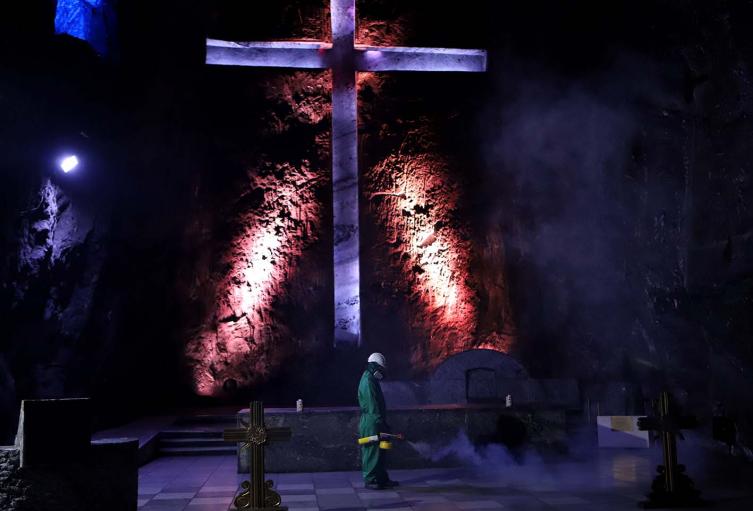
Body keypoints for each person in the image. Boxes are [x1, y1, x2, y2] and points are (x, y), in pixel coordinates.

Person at [358, 352, 399, 489]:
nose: (382, 371)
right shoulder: (368, 380)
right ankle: (371, 479)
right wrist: (380, 423)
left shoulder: (371, 379)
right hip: (372, 422)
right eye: (381, 368)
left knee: (382, 449)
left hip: (377, 420)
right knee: (372, 451)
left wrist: (383, 424)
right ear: (374, 366)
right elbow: (372, 406)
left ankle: (382, 478)